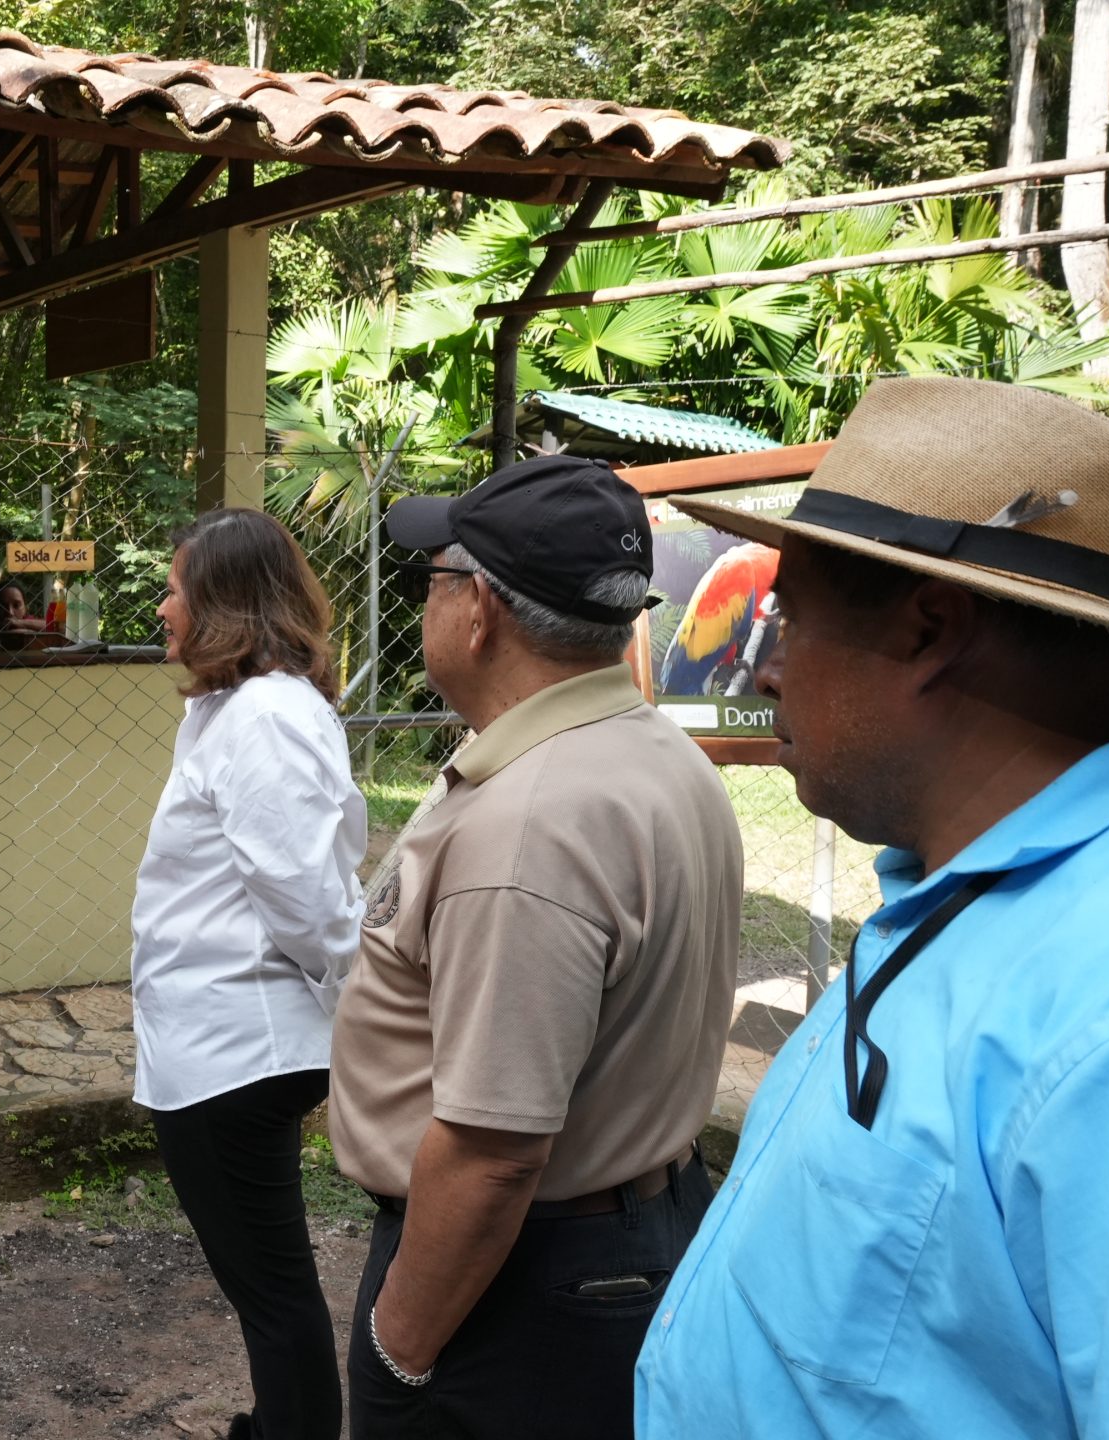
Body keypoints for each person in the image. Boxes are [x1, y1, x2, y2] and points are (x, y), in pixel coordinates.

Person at [634, 379, 1109, 1438]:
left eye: (792, 620)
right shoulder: (961, 895)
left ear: (927, 631)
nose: (766, 672)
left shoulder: (1108, 1010)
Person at [331, 455, 741, 1440]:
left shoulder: (530, 822)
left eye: (432, 580)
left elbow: (493, 1154)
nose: (425, 604)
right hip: (619, 1232)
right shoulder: (653, 757)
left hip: (519, 1277)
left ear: (476, 608)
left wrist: (398, 1347)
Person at [132, 507, 368, 1440]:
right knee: (264, 1285)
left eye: (178, 589)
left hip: (242, 1052)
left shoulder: (266, 717)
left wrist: (357, 1017)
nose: (162, 607)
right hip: (223, 1044)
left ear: (227, 603)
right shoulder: (237, 710)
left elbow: (310, 902)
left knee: (271, 1292)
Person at [0, 578, 55, 649]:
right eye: (2, 606)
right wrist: (32, 633)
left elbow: (57, 627)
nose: (10, 612)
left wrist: (20, 623)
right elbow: (6, 640)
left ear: (26, 607)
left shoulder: (27, 621)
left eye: (16, 606)